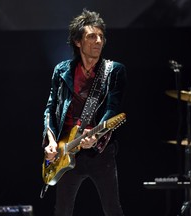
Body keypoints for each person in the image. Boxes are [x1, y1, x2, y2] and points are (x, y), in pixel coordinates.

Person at [42, 8, 127, 216]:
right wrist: (51, 142)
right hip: (67, 150)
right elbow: (51, 109)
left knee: (112, 209)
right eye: (91, 36)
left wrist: (96, 135)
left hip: (100, 152)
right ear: (78, 42)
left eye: (101, 36)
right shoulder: (62, 70)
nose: (98, 41)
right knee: (61, 211)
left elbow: (112, 108)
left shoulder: (114, 70)